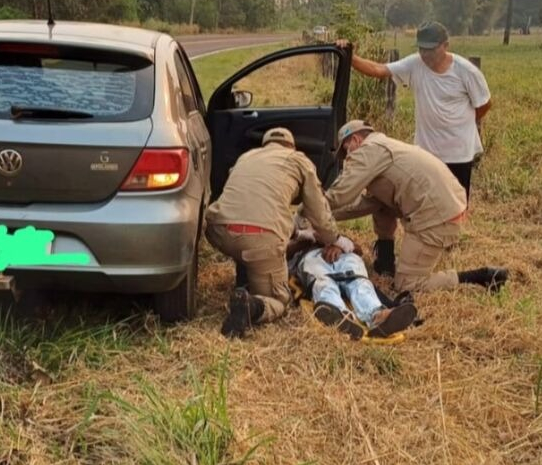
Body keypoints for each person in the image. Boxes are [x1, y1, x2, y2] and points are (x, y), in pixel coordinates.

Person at [325, 120, 508, 294]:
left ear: (356, 140)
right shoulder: (385, 146)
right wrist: (324, 215)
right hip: (448, 205)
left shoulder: (368, 151)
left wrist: (311, 209)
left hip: (436, 218)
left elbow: (342, 193)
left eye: (347, 151)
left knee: (407, 285)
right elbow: (365, 204)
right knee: (379, 202)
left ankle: (480, 277)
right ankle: (386, 263)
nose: (347, 158)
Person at [205, 127, 353, 338]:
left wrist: (298, 234)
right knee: (280, 300)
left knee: (248, 242)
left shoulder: (246, 157)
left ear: (265, 145)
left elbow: (252, 204)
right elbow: (318, 212)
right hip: (259, 239)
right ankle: (251, 306)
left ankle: (244, 280)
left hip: (218, 229)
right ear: (291, 146)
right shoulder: (298, 160)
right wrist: (334, 239)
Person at [340, 21, 491, 200]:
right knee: (426, 201)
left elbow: (484, 104)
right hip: (426, 151)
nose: (425, 54)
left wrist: (460, 124)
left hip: (458, 152)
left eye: (431, 49)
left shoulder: (466, 72)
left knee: (456, 203)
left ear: (445, 46)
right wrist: (349, 56)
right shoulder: (415, 64)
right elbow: (378, 69)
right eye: (422, 49)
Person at [287, 228, 417, 340]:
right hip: (311, 257)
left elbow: (358, 249)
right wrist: (304, 241)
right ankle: (341, 316)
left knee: (359, 282)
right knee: (323, 284)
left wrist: (339, 244)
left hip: (343, 256)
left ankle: (379, 315)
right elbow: (280, 251)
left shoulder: (329, 226)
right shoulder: (293, 223)